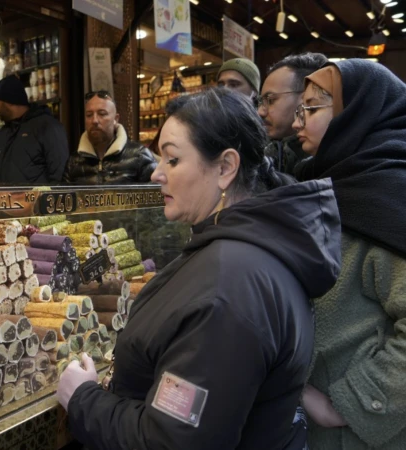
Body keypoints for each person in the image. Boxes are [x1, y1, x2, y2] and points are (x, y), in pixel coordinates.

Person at [57, 88, 342, 449]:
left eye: (172, 160)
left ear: (225, 167)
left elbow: (173, 441)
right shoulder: (240, 250)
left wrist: (84, 399)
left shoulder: (229, 289)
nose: (157, 174)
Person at [292, 60, 406, 450]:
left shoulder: (389, 195)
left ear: (355, 111)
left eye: (311, 108)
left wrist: (349, 404)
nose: (297, 122)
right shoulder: (322, 184)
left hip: (362, 436)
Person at [0, 75, 69, 184]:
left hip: (38, 201)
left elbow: (60, 176)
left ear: (10, 100)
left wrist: (45, 200)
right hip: (2, 201)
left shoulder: (47, 127)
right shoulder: (0, 136)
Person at [63, 91, 156, 184]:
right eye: (89, 115)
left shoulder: (139, 156)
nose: (94, 120)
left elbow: (157, 193)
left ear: (116, 119)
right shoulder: (74, 162)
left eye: (102, 114)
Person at [259, 53, 327, 174]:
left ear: (307, 98)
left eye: (270, 100)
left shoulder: (328, 167)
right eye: (260, 102)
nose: (260, 111)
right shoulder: (262, 154)